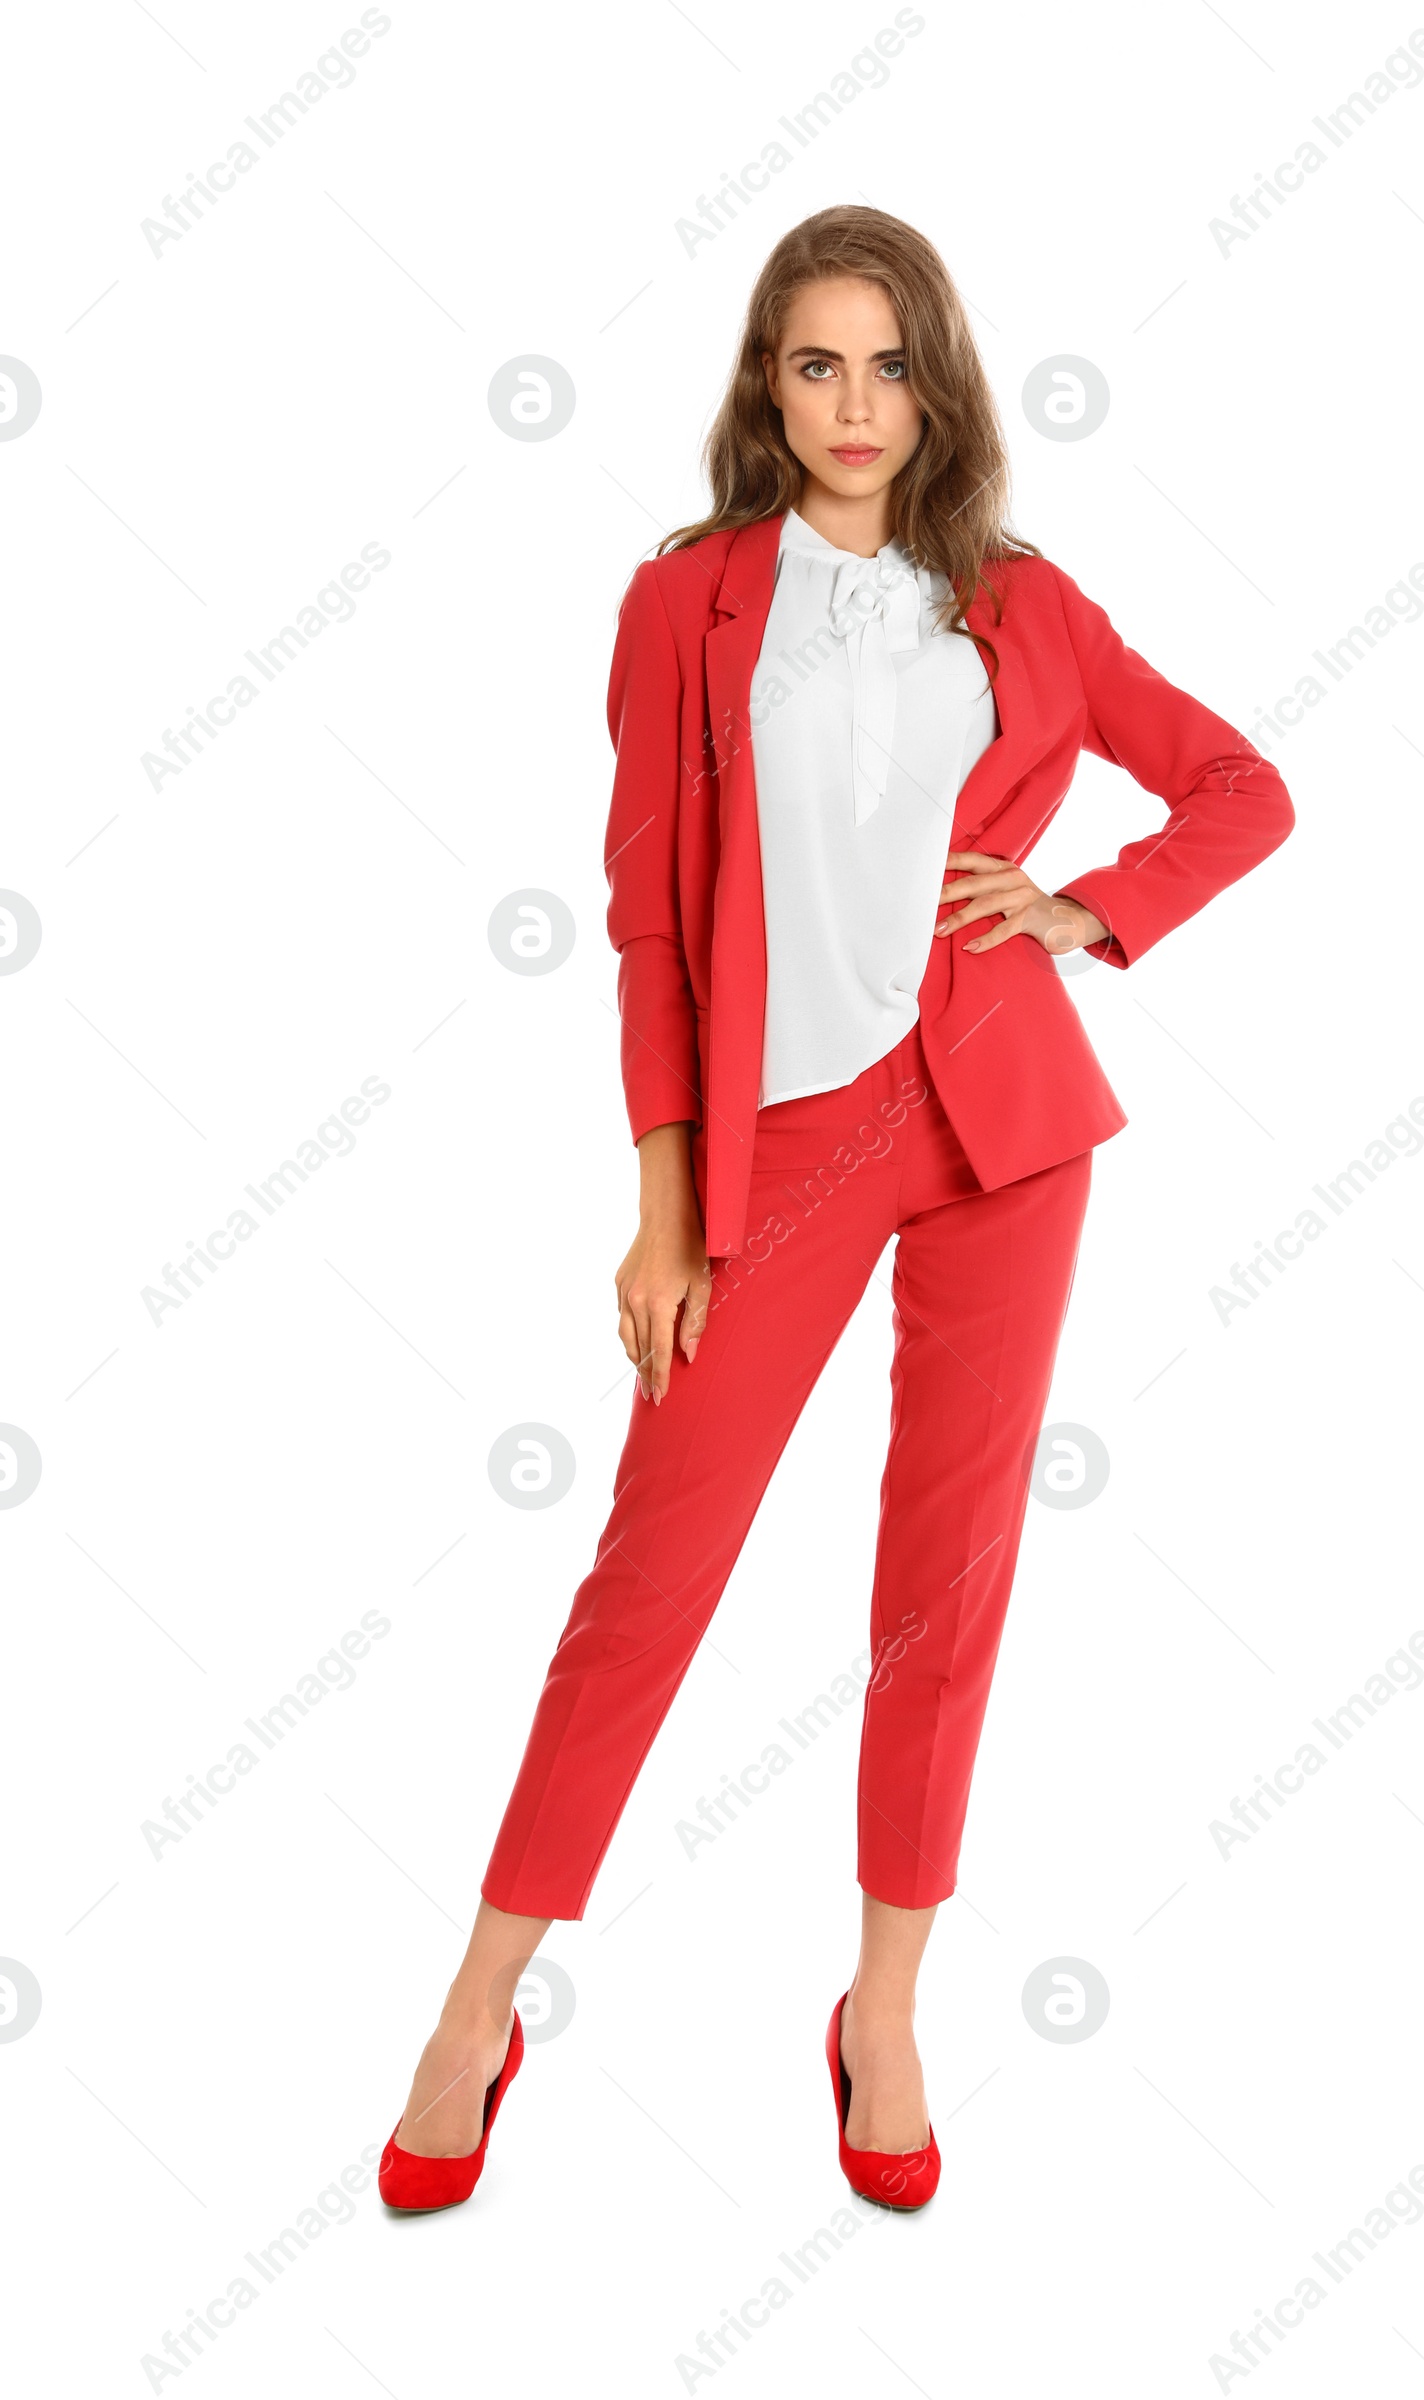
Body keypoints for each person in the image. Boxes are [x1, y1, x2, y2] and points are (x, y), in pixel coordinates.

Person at [378, 204, 1294, 2216]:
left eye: (888, 364)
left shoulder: (1024, 604)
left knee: (942, 1576)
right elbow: (643, 924)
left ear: (935, 383)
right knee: (652, 1574)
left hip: (997, 1128)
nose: (855, 405)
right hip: (772, 1145)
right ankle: (477, 2003)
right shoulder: (685, 603)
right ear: (763, 387)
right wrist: (662, 1199)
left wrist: (1088, 909)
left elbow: (1238, 785)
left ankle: (882, 2005)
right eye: (814, 363)